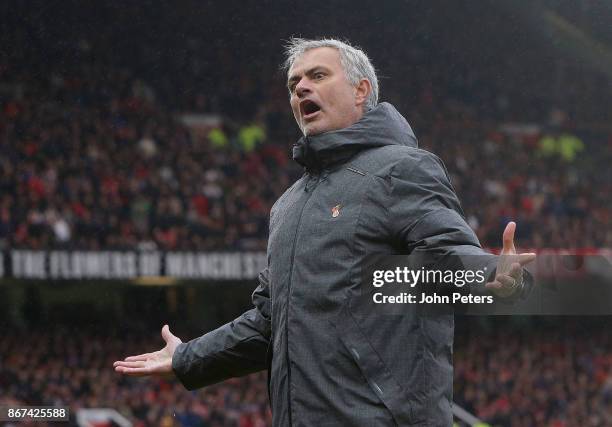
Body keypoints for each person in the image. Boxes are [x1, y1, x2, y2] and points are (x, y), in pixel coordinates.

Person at [114, 38, 536, 426]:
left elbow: (446, 253)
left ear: (361, 91)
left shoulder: (404, 168)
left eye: (317, 76)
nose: (300, 88)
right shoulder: (287, 206)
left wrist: (491, 276)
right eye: (293, 82)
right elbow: (268, 323)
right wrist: (189, 357)